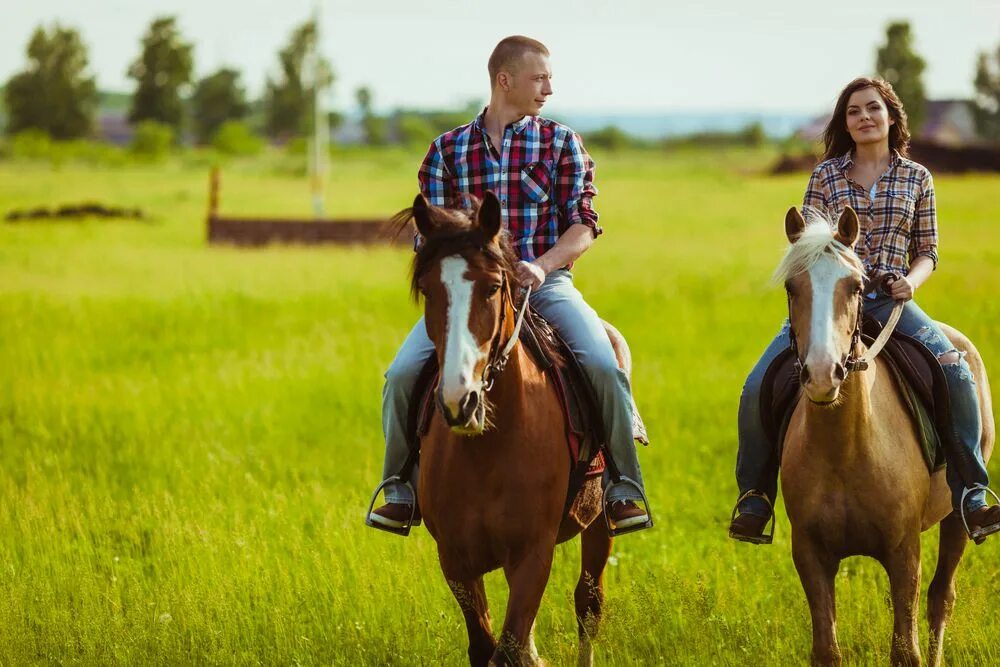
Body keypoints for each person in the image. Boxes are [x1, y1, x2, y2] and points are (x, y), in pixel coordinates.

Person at [367, 35, 650, 534]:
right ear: (505, 80)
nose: (549, 87)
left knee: (604, 363)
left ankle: (624, 486)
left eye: (548, 78)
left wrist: (541, 266)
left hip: (546, 286)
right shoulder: (446, 151)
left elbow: (583, 224)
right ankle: (399, 489)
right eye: (540, 77)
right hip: (470, 295)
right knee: (400, 376)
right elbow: (430, 237)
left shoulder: (562, 143)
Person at [729, 76, 1000, 543]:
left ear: (892, 117)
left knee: (955, 370)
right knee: (757, 383)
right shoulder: (825, 177)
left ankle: (973, 490)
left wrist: (909, 284)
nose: (864, 118)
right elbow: (806, 249)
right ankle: (755, 497)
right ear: (845, 122)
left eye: (873, 109)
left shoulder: (918, 178)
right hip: (829, 302)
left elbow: (928, 250)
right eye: (854, 111)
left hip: (891, 303)